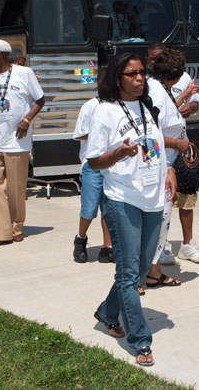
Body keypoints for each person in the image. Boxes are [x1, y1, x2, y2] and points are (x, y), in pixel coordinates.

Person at [86, 52, 176, 367]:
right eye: (132, 74)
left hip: (152, 198)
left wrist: (169, 170)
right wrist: (118, 154)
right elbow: (94, 160)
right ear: (117, 78)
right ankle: (140, 340)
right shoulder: (105, 113)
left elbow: (156, 148)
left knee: (139, 270)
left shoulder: (148, 107)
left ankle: (108, 312)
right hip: (122, 198)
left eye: (142, 73)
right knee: (128, 274)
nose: (139, 78)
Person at [0, 40, 45, 248]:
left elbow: (40, 100)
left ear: (0, 55)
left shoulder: (25, 74)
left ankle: (17, 227)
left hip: (17, 142)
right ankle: (2, 232)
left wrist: (26, 120)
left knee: (16, 188)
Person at [148, 48, 199, 267]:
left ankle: (185, 244)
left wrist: (186, 95)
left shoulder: (163, 88)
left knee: (187, 197)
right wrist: (177, 144)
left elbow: (167, 109)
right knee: (163, 206)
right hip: (165, 157)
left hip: (178, 154)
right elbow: (151, 130)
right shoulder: (155, 90)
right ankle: (158, 250)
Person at [72, 94, 114, 263]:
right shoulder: (90, 105)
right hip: (93, 163)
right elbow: (79, 134)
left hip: (113, 162)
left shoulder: (120, 105)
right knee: (89, 207)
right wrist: (101, 132)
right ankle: (80, 238)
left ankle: (107, 247)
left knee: (109, 207)